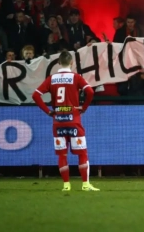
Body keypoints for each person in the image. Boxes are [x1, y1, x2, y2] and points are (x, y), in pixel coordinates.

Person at [32, 50, 100, 192]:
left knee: (62, 154)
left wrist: (49, 111)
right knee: (82, 153)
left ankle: (66, 185)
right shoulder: (76, 77)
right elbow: (90, 92)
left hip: (58, 122)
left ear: (58, 63)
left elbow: (36, 95)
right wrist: (84, 107)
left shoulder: (52, 78)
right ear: (72, 62)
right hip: (73, 119)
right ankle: (85, 185)